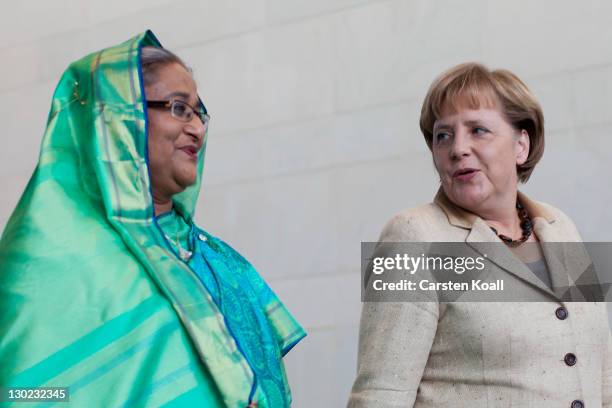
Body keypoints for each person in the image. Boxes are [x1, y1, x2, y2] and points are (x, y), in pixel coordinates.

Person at [0, 30, 305, 407]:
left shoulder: (222, 262)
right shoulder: (48, 264)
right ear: (116, 120)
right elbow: (21, 393)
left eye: (199, 113)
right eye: (179, 108)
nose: (198, 128)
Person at [348, 63, 611, 407]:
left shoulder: (560, 225)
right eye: (443, 135)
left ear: (521, 145)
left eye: (478, 130)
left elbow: (601, 371)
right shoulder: (411, 236)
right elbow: (380, 395)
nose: (458, 148)